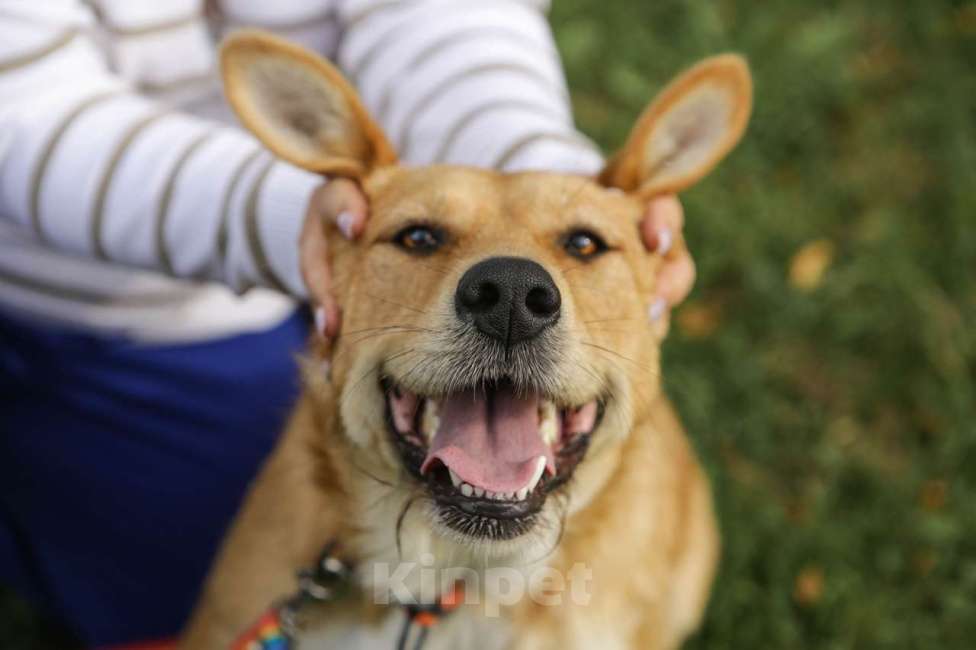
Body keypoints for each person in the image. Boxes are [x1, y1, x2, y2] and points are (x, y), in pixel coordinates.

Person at [0, 1, 695, 646]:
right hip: (80, 293)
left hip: (229, 307)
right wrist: (299, 219)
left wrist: (547, 178)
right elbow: (22, 107)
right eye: (422, 238)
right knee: (182, 586)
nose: (512, 288)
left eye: (582, 248)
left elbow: (433, 13)